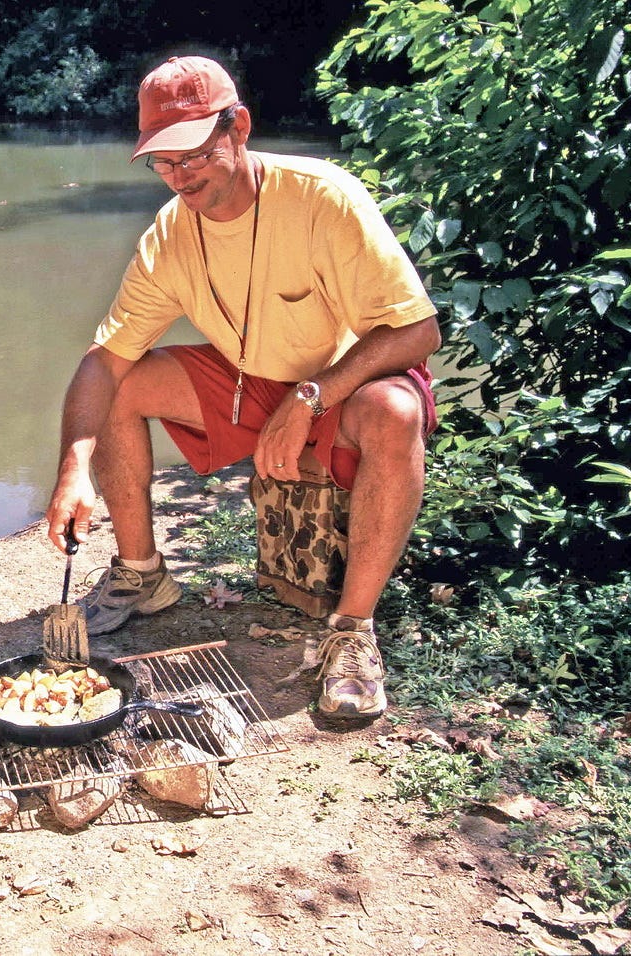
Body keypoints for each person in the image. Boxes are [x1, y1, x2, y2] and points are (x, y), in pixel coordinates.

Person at [44, 55, 441, 720]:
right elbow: (104, 360)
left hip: (341, 388)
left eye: (194, 154)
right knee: (124, 384)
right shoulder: (169, 234)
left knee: (396, 411)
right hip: (247, 383)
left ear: (240, 127)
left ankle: (351, 633)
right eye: (163, 162)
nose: (180, 176)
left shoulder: (324, 198)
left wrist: (312, 394)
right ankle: (141, 577)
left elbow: (418, 332)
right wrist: (71, 468)